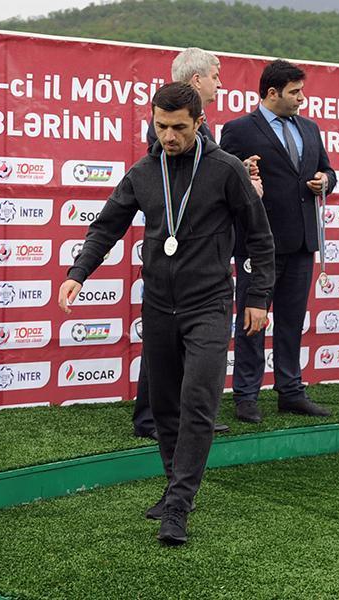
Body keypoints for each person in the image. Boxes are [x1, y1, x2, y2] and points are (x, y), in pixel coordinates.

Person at [58, 83, 275, 545]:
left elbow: (259, 237)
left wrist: (258, 296)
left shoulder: (226, 169)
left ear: (199, 122)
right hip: (158, 304)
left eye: (179, 127)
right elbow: (107, 226)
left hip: (209, 303)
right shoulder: (143, 171)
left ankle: (178, 504)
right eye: (161, 126)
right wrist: (79, 272)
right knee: (164, 406)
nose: (169, 136)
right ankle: (176, 485)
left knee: (198, 400)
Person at [134, 47, 258, 439]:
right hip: (174, 259)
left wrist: (239, 180)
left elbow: (208, 178)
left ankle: (176, 416)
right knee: (163, 353)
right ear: (196, 80)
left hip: (199, 269)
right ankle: (156, 417)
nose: (220, 84)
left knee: (177, 354)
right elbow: (175, 183)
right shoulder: (169, 128)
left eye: (177, 129)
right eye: (215, 76)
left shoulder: (207, 138)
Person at [220, 59, 336, 423]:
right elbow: (224, 178)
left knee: (291, 322)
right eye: (295, 92)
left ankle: (291, 391)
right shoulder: (239, 129)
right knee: (252, 322)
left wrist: (325, 181)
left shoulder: (310, 128)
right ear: (272, 93)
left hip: (301, 242)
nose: (302, 98)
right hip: (259, 244)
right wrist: (244, 171)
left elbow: (328, 170)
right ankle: (246, 395)